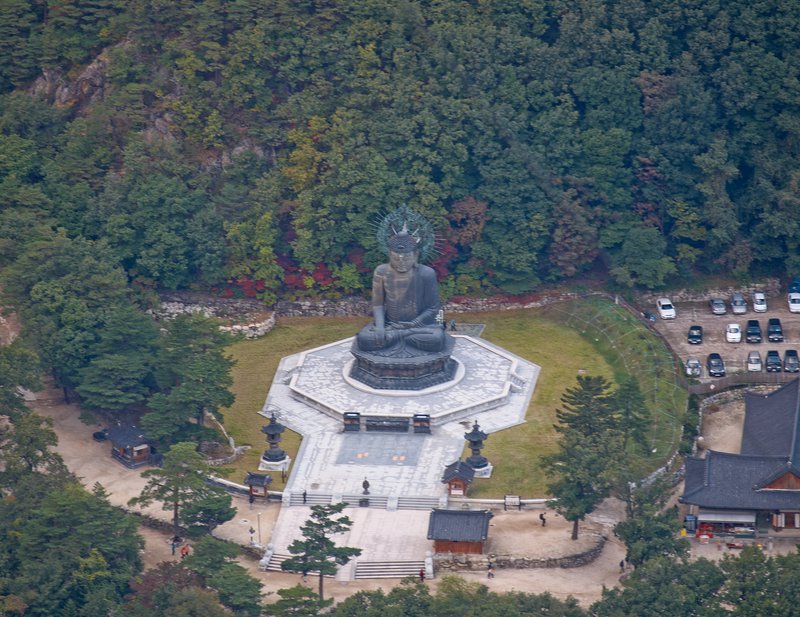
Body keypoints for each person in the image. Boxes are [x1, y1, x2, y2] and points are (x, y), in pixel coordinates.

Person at [355, 225, 446, 354]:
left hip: (418, 327)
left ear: (415, 255)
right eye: (396, 258)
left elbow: (433, 308)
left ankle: (398, 336)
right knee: (364, 339)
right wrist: (380, 327)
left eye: (406, 258)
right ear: (389, 254)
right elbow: (377, 305)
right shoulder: (381, 271)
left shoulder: (426, 273)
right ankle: (400, 336)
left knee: (436, 339)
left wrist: (414, 324)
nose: (401, 262)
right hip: (390, 325)